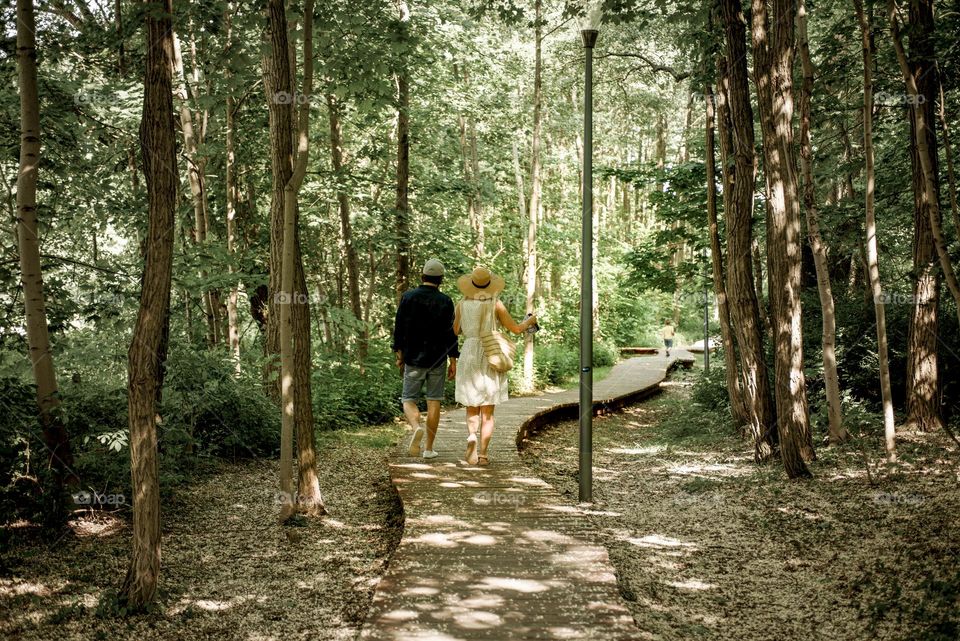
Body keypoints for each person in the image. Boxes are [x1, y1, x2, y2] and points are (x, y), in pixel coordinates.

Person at [454, 267, 537, 466]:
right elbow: (516, 329)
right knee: (488, 412)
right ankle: (483, 454)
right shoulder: (495, 304)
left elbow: (454, 331)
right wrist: (530, 321)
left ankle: (471, 436)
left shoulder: (461, 304)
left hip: (469, 351)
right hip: (490, 352)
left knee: (472, 406)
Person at [392, 259, 459, 459]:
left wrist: (399, 354)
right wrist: (453, 359)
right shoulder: (446, 301)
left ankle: (415, 428)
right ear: (440, 280)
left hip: (413, 358)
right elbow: (451, 333)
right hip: (438, 359)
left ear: (423, 276)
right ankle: (429, 448)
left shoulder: (408, 297)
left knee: (408, 399)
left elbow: (399, 328)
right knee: (434, 401)